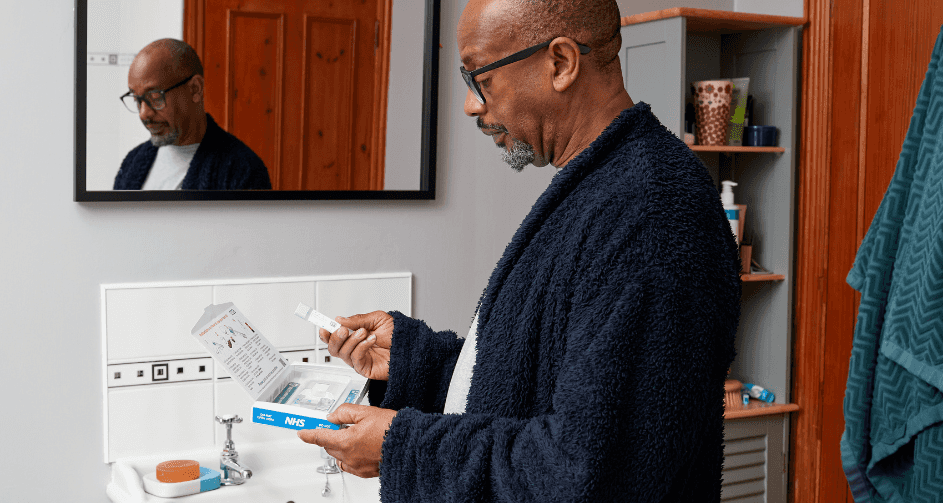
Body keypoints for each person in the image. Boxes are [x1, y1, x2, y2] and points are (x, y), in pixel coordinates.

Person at [297, 0, 741, 501]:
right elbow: (532, 381)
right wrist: (415, 360)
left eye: (479, 80)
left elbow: (593, 472)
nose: (471, 105)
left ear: (560, 63)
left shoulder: (653, 213)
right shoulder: (600, 190)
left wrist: (403, 446)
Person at [113, 39, 271, 191]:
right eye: (137, 100)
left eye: (155, 97)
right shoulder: (132, 162)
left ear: (195, 89)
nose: (143, 113)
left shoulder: (244, 170)